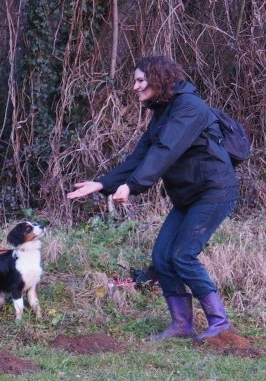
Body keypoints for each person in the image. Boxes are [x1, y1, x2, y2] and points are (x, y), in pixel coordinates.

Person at [67, 55, 239, 341]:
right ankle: (182, 325)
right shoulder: (164, 111)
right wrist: (102, 183)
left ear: (159, 80)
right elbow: (141, 155)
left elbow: (165, 152)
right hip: (188, 196)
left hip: (214, 191)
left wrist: (133, 186)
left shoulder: (189, 109)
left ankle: (220, 323)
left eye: (140, 80)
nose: (134, 87)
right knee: (162, 257)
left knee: (182, 255)